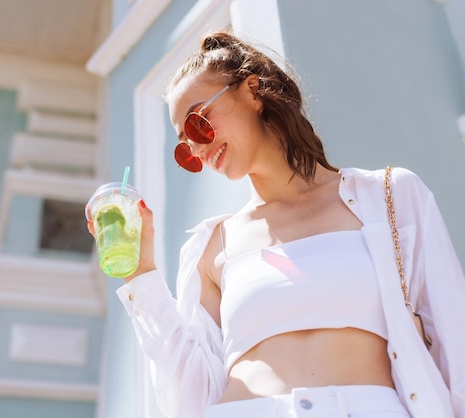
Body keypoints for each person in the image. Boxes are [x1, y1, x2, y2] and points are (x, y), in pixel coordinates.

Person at [90, 31, 465, 418]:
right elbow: (187, 396)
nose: (199, 149)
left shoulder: (390, 197)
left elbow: (457, 344)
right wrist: (141, 275)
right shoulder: (213, 247)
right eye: (186, 148)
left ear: (251, 91)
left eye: (199, 123)